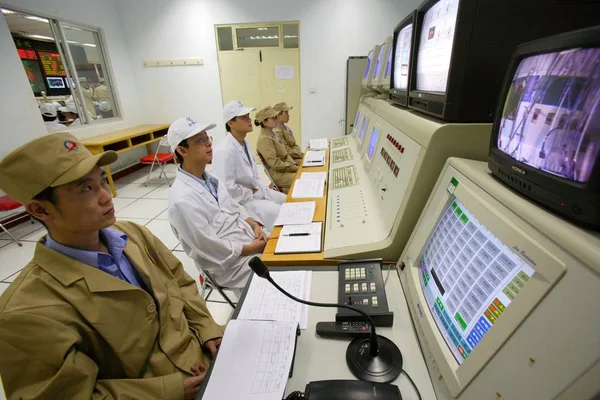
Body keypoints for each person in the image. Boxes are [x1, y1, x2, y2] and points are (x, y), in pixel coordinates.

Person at [0, 132, 223, 400]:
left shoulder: (133, 235)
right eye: (86, 188)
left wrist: (207, 329)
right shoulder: (25, 313)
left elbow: (179, 281)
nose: (106, 196)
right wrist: (168, 390)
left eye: (103, 181)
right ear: (41, 210)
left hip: (206, 357)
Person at [167, 117, 269, 296]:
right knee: (278, 269)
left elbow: (234, 207)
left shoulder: (211, 180)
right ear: (182, 150)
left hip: (245, 239)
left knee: (283, 249)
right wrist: (251, 248)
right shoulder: (181, 201)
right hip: (227, 264)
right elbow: (209, 246)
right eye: (200, 141)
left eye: (208, 138)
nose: (208, 144)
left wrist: (254, 225)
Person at [213, 101, 287, 231]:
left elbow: (253, 175)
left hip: (257, 191)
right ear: (231, 123)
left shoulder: (243, 142)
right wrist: (250, 191)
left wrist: (257, 189)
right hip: (242, 203)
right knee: (280, 213)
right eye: (244, 117)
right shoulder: (224, 151)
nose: (249, 119)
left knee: (288, 200)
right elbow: (226, 190)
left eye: (248, 115)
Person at [255, 106, 299, 193]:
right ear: (264, 122)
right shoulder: (264, 139)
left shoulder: (272, 134)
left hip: (285, 169)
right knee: (304, 178)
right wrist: (294, 167)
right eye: (273, 118)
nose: (276, 119)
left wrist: (294, 165)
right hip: (279, 174)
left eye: (276, 117)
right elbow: (275, 164)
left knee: (305, 173)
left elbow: (285, 154)